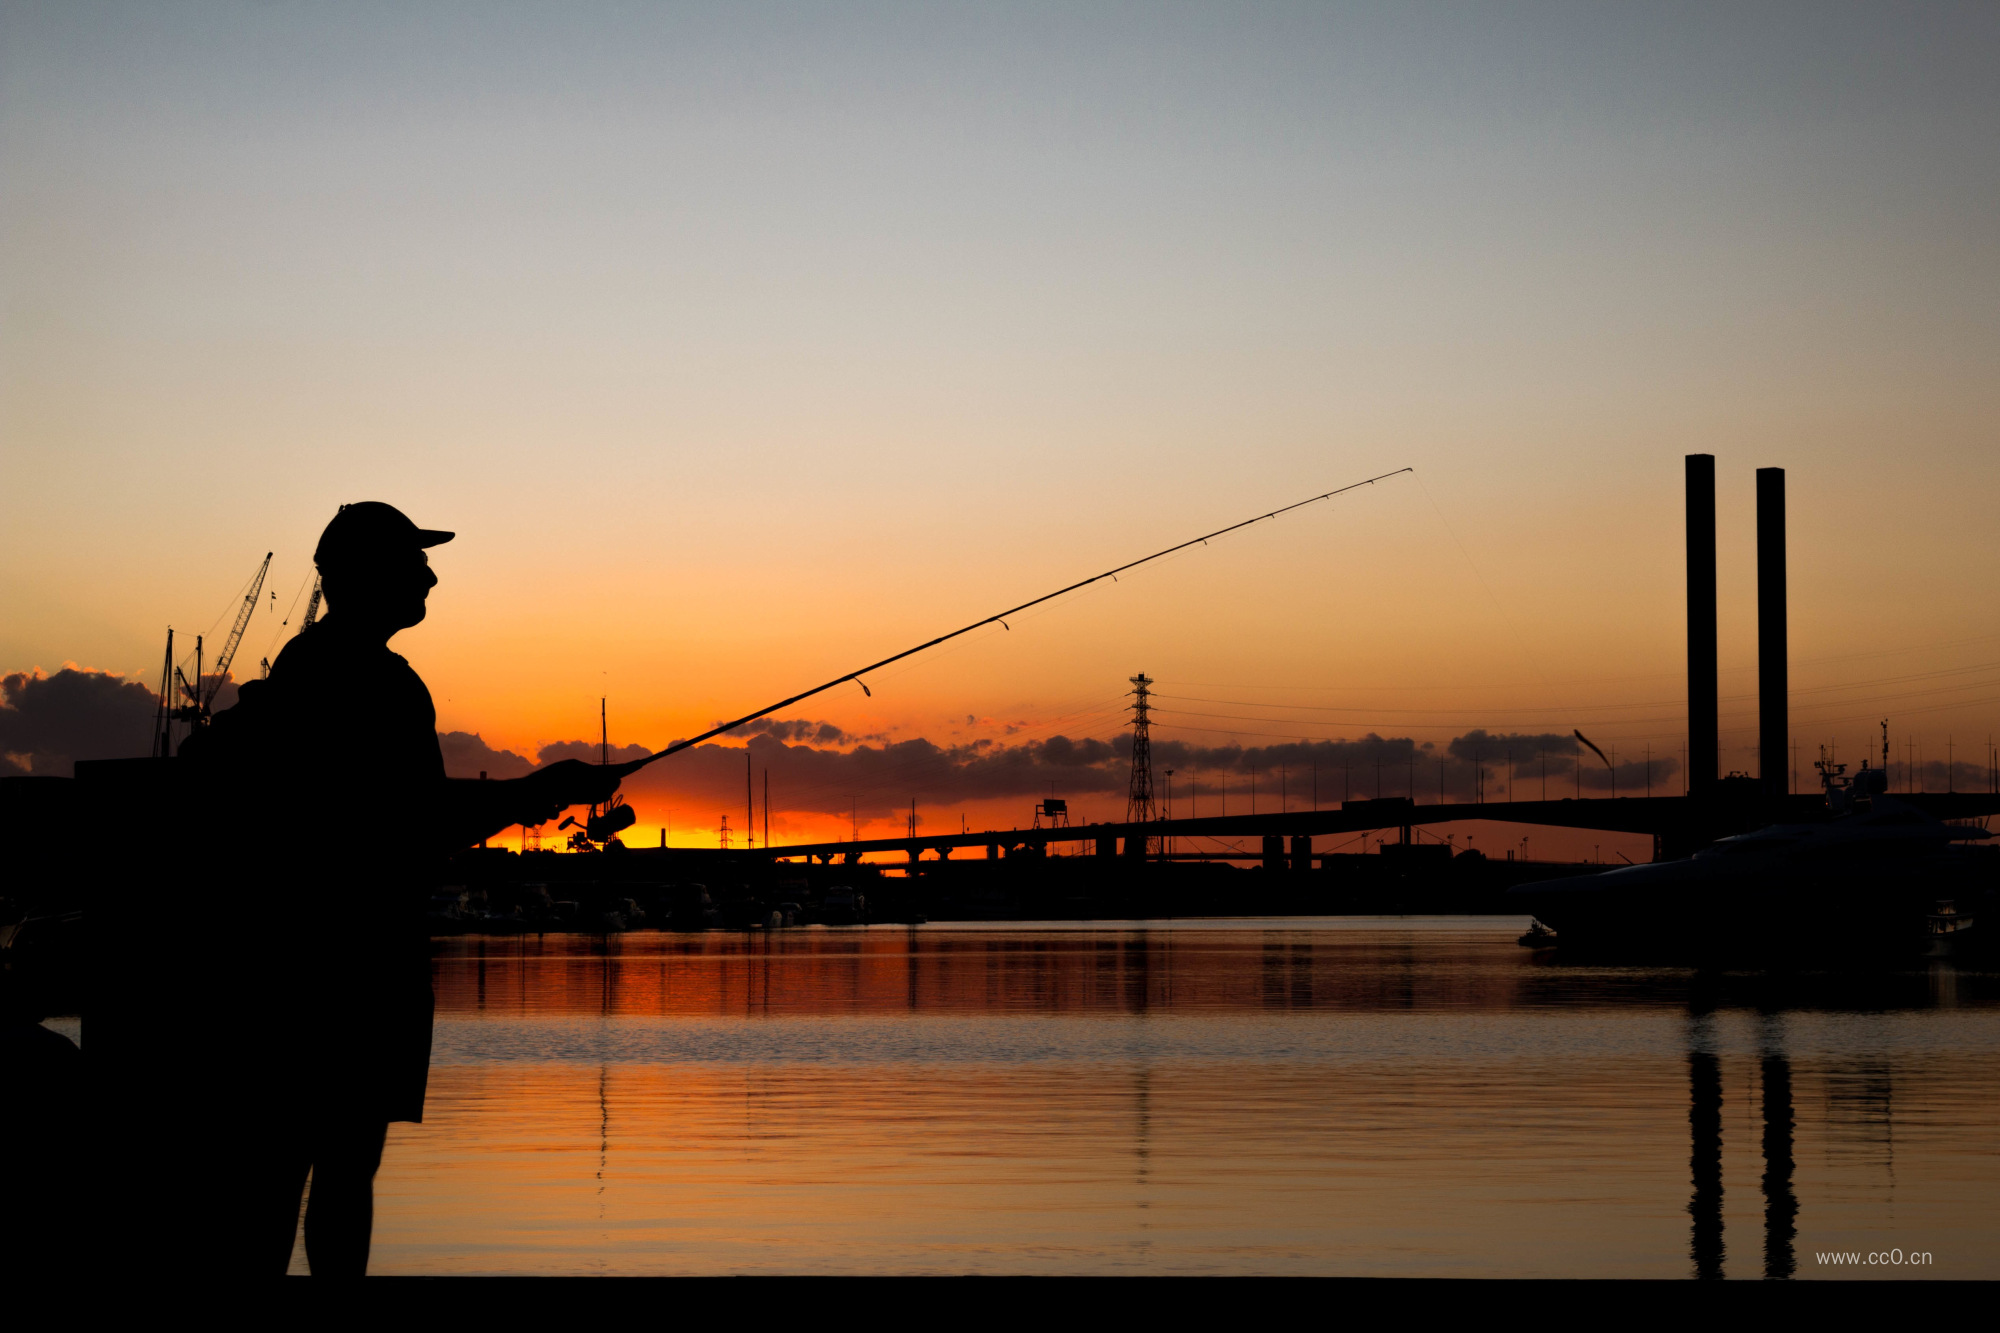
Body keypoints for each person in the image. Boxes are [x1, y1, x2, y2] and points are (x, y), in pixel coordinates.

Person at [186, 502, 618, 1276]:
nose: (431, 572)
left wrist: (530, 793)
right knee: (337, 1172)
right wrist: (536, 790)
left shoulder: (304, 670)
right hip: (352, 967)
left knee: (282, 1174)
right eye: (413, 560)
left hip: (295, 966)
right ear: (367, 574)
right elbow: (410, 822)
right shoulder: (375, 683)